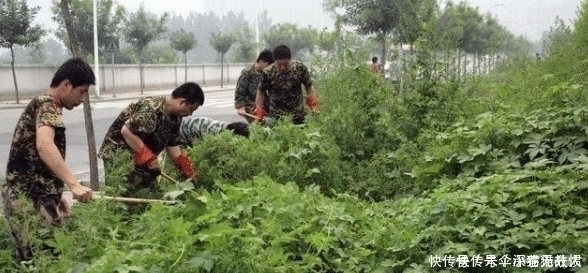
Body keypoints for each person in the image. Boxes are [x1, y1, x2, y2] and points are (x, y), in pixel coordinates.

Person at [1, 57, 96, 262]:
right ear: (66, 85)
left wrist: (55, 191)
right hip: (26, 197)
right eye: (82, 92)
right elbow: (44, 146)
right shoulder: (48, 106)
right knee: (42, 259)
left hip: (32, 192)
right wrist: (73, 183)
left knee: (42, 257)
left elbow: (36, 159)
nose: (82, 100)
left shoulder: (43, 104)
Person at [98, 82, 204, 200]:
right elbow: (127, 132)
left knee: (152, 195)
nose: (190, 114)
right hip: (119, 154)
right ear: (182, 102)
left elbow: (173, 147)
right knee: (124, 196)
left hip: (142, 156)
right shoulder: (152, 108)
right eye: (191, 109)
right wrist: (148, 157)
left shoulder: (176, 118)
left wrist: (188, 171)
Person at [253, 45, 319, 125]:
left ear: (291, 59)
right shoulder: (268, 72)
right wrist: (259, 110)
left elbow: (309, 86)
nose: (282, 67)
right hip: (276, 117)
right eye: (279, 64)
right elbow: (261, 91)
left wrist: (314, 106)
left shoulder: (300, 68)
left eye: (285, 64)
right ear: (275, 61)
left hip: (298, 116)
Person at [235, 49, 274, 123]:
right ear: (261, 61)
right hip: (251, 107)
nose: (268, 68)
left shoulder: (266, 73)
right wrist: (240, 107)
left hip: (265, 106)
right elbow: (240, 91)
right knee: (257, 126)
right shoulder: (247, 72)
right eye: (267, 65)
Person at [178, 117, 249, 147]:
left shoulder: (227, 128)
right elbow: (207, 151)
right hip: (182, 132)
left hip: (194, 130)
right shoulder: (214, 134)